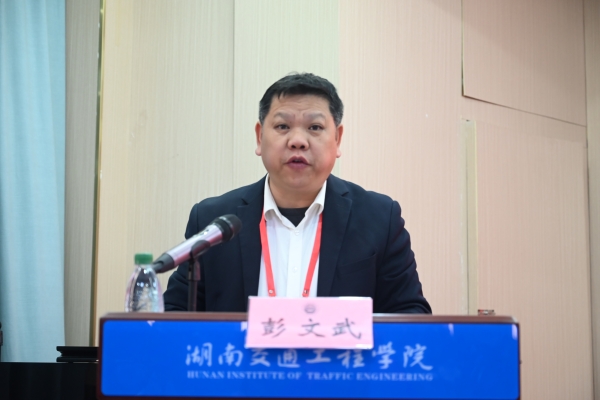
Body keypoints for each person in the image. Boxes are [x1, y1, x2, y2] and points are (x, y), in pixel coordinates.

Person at [163, 73, 431, 313]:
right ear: (259, 137)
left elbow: (410, 315)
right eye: (283, 126)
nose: (298, 141)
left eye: (315, 127)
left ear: (337, 139)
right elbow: (175, 314)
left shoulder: (379, 219)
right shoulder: (214, 221)